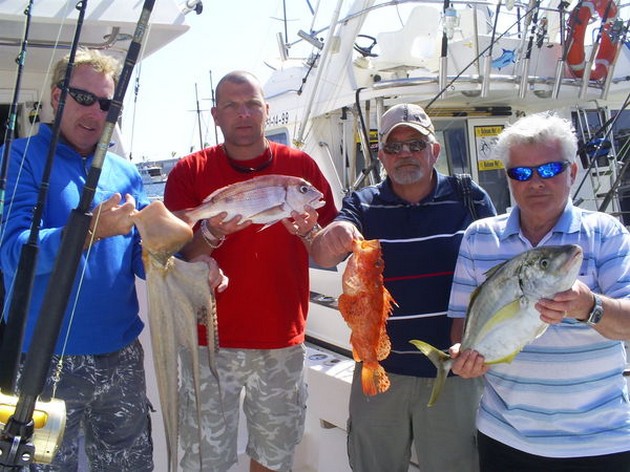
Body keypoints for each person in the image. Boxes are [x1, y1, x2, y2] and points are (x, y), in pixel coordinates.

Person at [0, 48, 225, 471]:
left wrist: (191, 268)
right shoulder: (19, 158)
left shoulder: (126, 172)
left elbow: (143, 262)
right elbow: (14, 253)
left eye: (108, 104)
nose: (95, 112)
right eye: (83, 98)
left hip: (122, 357)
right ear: (55, 95)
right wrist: (91, 229)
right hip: (44, 363)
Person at [163, 70, 337, 472]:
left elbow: (326, 248)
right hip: (209, 342)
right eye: (231, 106)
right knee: (205, 459)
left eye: (252, 104)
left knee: (274, 456)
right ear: (215, 115)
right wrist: (209, 232)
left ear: (267, 111)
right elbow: (177, 256)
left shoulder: (301, 167)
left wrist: (310, 231)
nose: (243, 114)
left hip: (282, 340)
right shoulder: (190, 171)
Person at [309, 103, 497, 472]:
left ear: (435, 150)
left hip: (456, 375)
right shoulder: (362, 204)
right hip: (381, 371)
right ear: (381, 157)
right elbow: (323, 249)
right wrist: (332, 235)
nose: (405, 154)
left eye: (416, 144)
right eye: (394, 148)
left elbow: (496, 276)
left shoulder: (470, 197)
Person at [449, 111, 630, 471]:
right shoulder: (480, 237)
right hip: (506, 437)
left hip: (600, 440)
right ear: (509, 180)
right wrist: (463, 358)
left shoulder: (606, 233)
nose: (536, 183)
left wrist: (588, 306)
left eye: (549, 170)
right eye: (521, 173)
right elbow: (462, 325)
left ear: (572, 172)